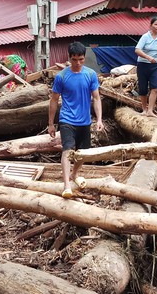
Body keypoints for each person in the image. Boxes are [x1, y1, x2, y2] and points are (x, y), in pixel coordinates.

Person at [48, 42, 104, 199]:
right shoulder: (62, 76)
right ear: (69, 58)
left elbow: (97, 98)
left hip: (84, 121)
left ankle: (74, 174)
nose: (78, 63)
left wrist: (99, 119)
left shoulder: (91, 75)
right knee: (68, 150)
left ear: (84, 58)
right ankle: (66, 185)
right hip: (67, 119)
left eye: (81, 59)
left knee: (83, 153)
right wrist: (51, 124)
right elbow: (53, 100)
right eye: (74, 60)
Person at [134, 17, 157, 117]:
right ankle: (144, 109)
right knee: (143, 88)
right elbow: (137, 50)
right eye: (156, 24)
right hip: (143, 65)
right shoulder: (145, 37)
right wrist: (148, 57)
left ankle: (150, 111)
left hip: (154, 66)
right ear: (151, 25)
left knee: (155, 87)